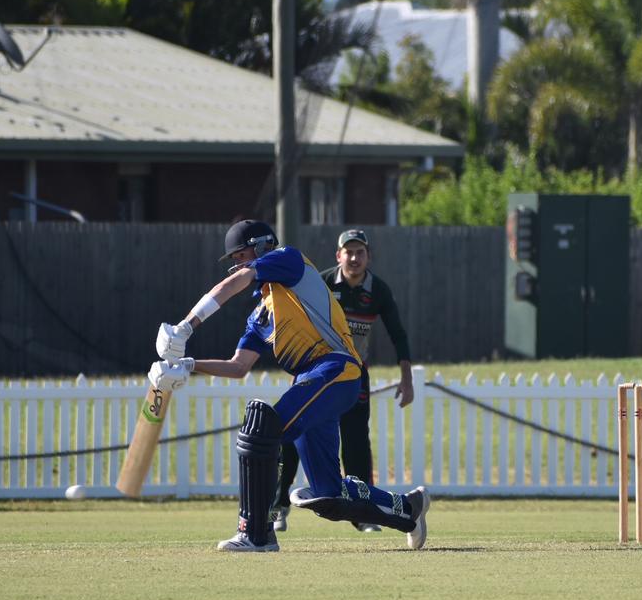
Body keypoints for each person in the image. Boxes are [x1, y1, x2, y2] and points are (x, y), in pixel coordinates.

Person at [147, 219, 431, 552]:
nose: (237, 264)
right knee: (329, 496)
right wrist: (189, 366)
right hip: (314, 381)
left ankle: (257, 533)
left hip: (337, 369)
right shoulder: (260, 315)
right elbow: (239, 367)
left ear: (262, 245)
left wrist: (186, 326)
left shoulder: (288, 259)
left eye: (241, 255)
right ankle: (408, 508)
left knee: (262, 431)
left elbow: (240, 279)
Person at [274, 228, 413, 533]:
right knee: (295, 435)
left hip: (353, 374)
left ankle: (364, 515)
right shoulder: (321, 283)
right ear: (338, 256)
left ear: (368, 256)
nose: (354, 258)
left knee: (356, 442)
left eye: (360, 252)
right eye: (348, 252)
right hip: (315, 371)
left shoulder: (378, 290)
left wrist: (407, 379)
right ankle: (278, 507)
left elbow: (398, 334)